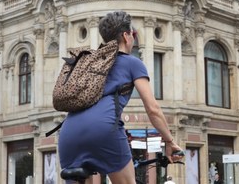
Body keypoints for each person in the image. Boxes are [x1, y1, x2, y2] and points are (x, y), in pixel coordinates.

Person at [58, 11, 183, 184]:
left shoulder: (90, 63)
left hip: (68, 134)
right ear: (126, 36)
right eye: (133, 34)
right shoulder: (132, 62)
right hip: (103, 130)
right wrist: (169, 141)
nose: (133, 38)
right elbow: (153, 109)